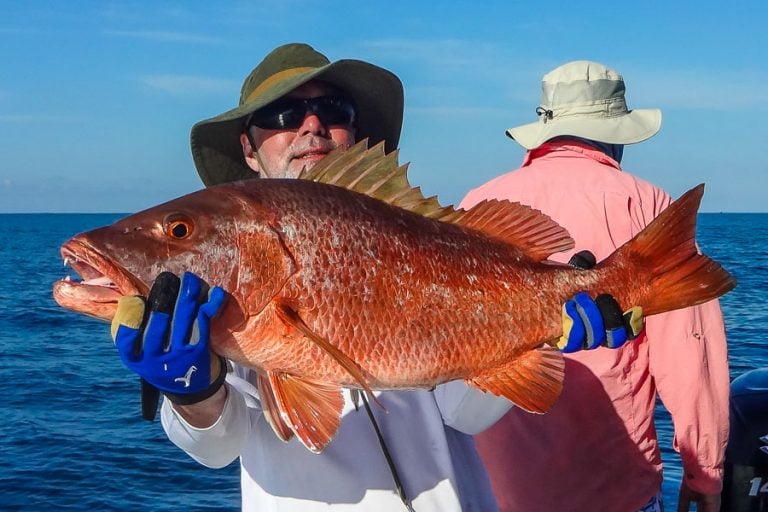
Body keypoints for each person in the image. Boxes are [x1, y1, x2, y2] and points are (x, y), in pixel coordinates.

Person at [110, 45, 637, 511]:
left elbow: (464, 415)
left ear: (356, 132)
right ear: (249, 149)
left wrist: (535, 328)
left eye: (333, 111)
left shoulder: (419, 231)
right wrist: (189, 388)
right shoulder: (210, 281)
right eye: (283, 113)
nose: (311, 125)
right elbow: (219, 447)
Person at [461, 60, 730, 512]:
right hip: (615, 488)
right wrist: (705, 476)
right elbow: (690, 356)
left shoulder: (477, 204)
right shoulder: (647, 205)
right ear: (616, 133)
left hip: (492, 490)